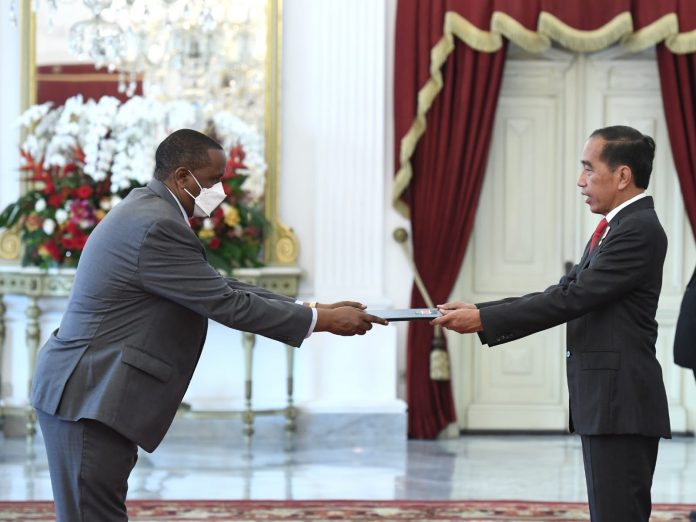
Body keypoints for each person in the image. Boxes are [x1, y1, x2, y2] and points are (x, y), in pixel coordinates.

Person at [31, 129, 388, 522]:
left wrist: (312, 307)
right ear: (183, 177)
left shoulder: (149, 209)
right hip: (88, 393)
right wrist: (321, 321)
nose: (220, 190)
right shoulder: (156, 224)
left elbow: (218, 285)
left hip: (91, 391)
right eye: (214, 180)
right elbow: (224, 302)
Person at [432, 125, 670, 522]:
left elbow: (572, 299)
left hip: (620, 403)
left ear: (623, 175)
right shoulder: (617, 226)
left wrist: (483, 320)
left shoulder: (638, 230)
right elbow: (564, 288)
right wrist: (480, 309)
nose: (581, 181)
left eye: (589, 170)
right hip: (607, 402)